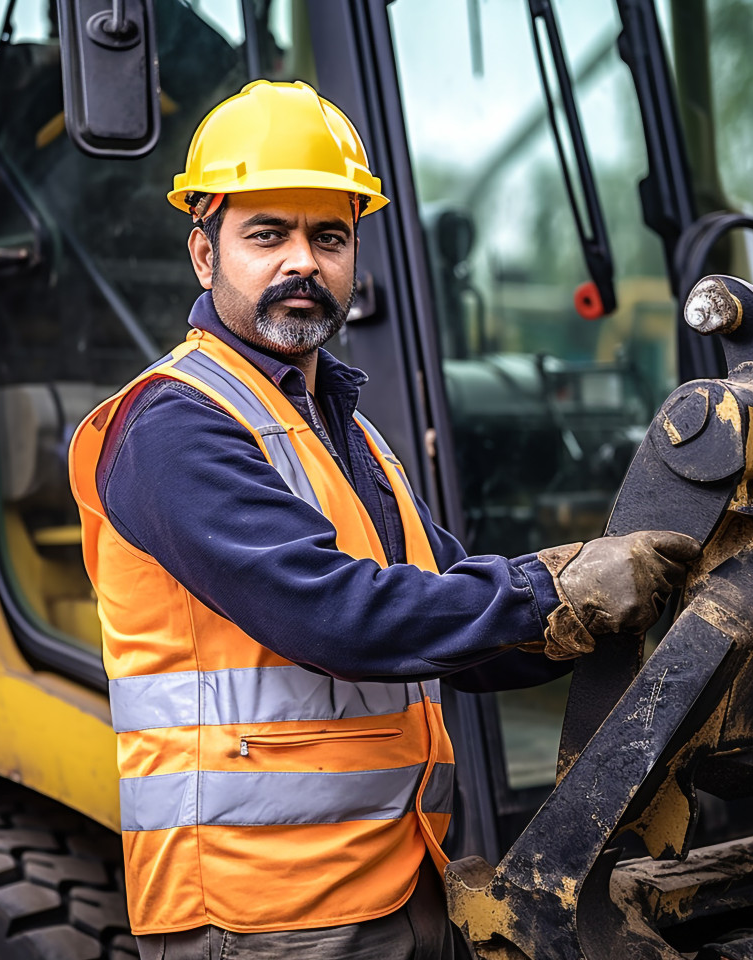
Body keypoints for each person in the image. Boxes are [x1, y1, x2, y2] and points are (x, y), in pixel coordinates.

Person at [69, 79, 699, 960]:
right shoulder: (172, 427)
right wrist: (550, 592)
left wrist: (615, 606)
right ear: (204, 255)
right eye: (267, 235)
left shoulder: (340, 426)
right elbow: (335, 615)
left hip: (399, 880)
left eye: (329, 236)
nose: (304, 262)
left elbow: (444, 610)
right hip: (264, 918)